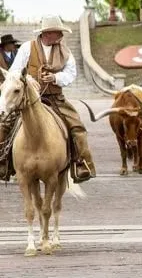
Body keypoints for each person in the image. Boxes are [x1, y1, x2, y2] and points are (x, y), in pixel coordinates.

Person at [0, 16, 96, 182]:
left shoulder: (65, 52)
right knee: (5, 124)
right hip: (28, 98)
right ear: (47, 33)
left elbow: (71, 73)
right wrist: (29, 81)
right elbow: (14, 72)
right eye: (58, 32)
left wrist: (55, 78)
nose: (61, 35)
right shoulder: (27, 48)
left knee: (77, 126)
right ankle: (3, 162)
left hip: (55, 97)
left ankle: (82, 164)